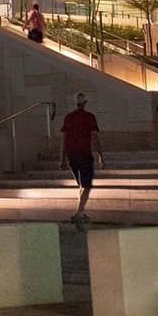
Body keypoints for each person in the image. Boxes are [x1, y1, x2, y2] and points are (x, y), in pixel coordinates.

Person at [59, 91, 103, 226]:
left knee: (81, 184)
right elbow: (95, 137)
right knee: (86, 185)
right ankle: (79, 212)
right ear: (85, 103)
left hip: (72, 155)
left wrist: (61, 159)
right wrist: (101, 156)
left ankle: (80, 210)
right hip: (84, 154)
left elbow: (64, 139)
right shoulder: (89, 117)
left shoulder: (68, 117)